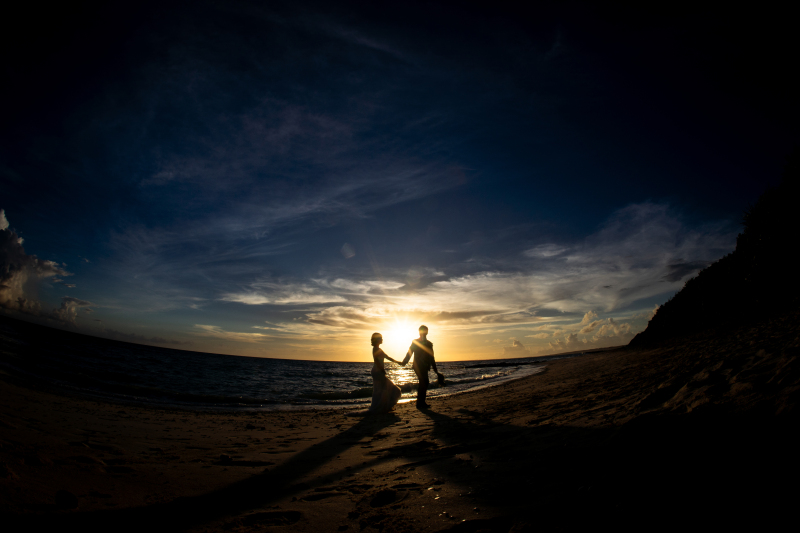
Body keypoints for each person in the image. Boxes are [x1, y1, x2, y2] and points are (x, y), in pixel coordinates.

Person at [402, 325, 442, 409]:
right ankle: (420, 403)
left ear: (427, 332)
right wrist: (404, 362)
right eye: (422, 331)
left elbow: (431, 357)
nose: (424, 333)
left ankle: (420, 402)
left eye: (425, 331)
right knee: (424, 381)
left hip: (425, 366)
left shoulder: (429, 344)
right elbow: (410, 352)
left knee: (424, 382)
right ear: (419, 332)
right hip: (418, 366)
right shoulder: (415, 342)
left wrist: (435, 370)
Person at [367, 332, 403, 413]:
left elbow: (388, 357)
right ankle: (380, 407)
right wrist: (382, 369)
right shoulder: (375, 349)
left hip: (378, 371)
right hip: (377, 371)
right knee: (385, 389)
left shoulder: (379, 349)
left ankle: (383, 407)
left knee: (382, 390)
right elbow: (376, 360)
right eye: (380, 338)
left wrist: (398, 362)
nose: (382, 339)